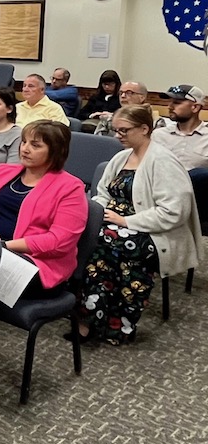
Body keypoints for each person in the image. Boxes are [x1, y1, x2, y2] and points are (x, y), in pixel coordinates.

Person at [78, 105, 202, 345]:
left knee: (109, 242)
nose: (117, 136)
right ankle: (93, 317)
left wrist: (126, 220)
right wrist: (100, 212)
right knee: (89, 236)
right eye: (116, 130)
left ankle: (109, 322)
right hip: (114, 223)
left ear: (145, 129)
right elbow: (103, 192)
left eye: (124, 130)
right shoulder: (121, 157)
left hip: (154, 232)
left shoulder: (163, 161)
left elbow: (173, 212)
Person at [0, 121, 87, 301]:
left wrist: (1, 246)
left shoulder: (70, 188)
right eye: (24, 142)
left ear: (55, 151)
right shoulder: (4, 171)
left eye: (35, 145)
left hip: (35, 264)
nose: (25, 149)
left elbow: (59, 241)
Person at [152, 85, 208, 229]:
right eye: (170, 102)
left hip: (195, 199)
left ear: (195, 107)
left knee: (199, 175)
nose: (170, 106)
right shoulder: (159, 135)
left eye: (177, 102)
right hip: (159, 193)